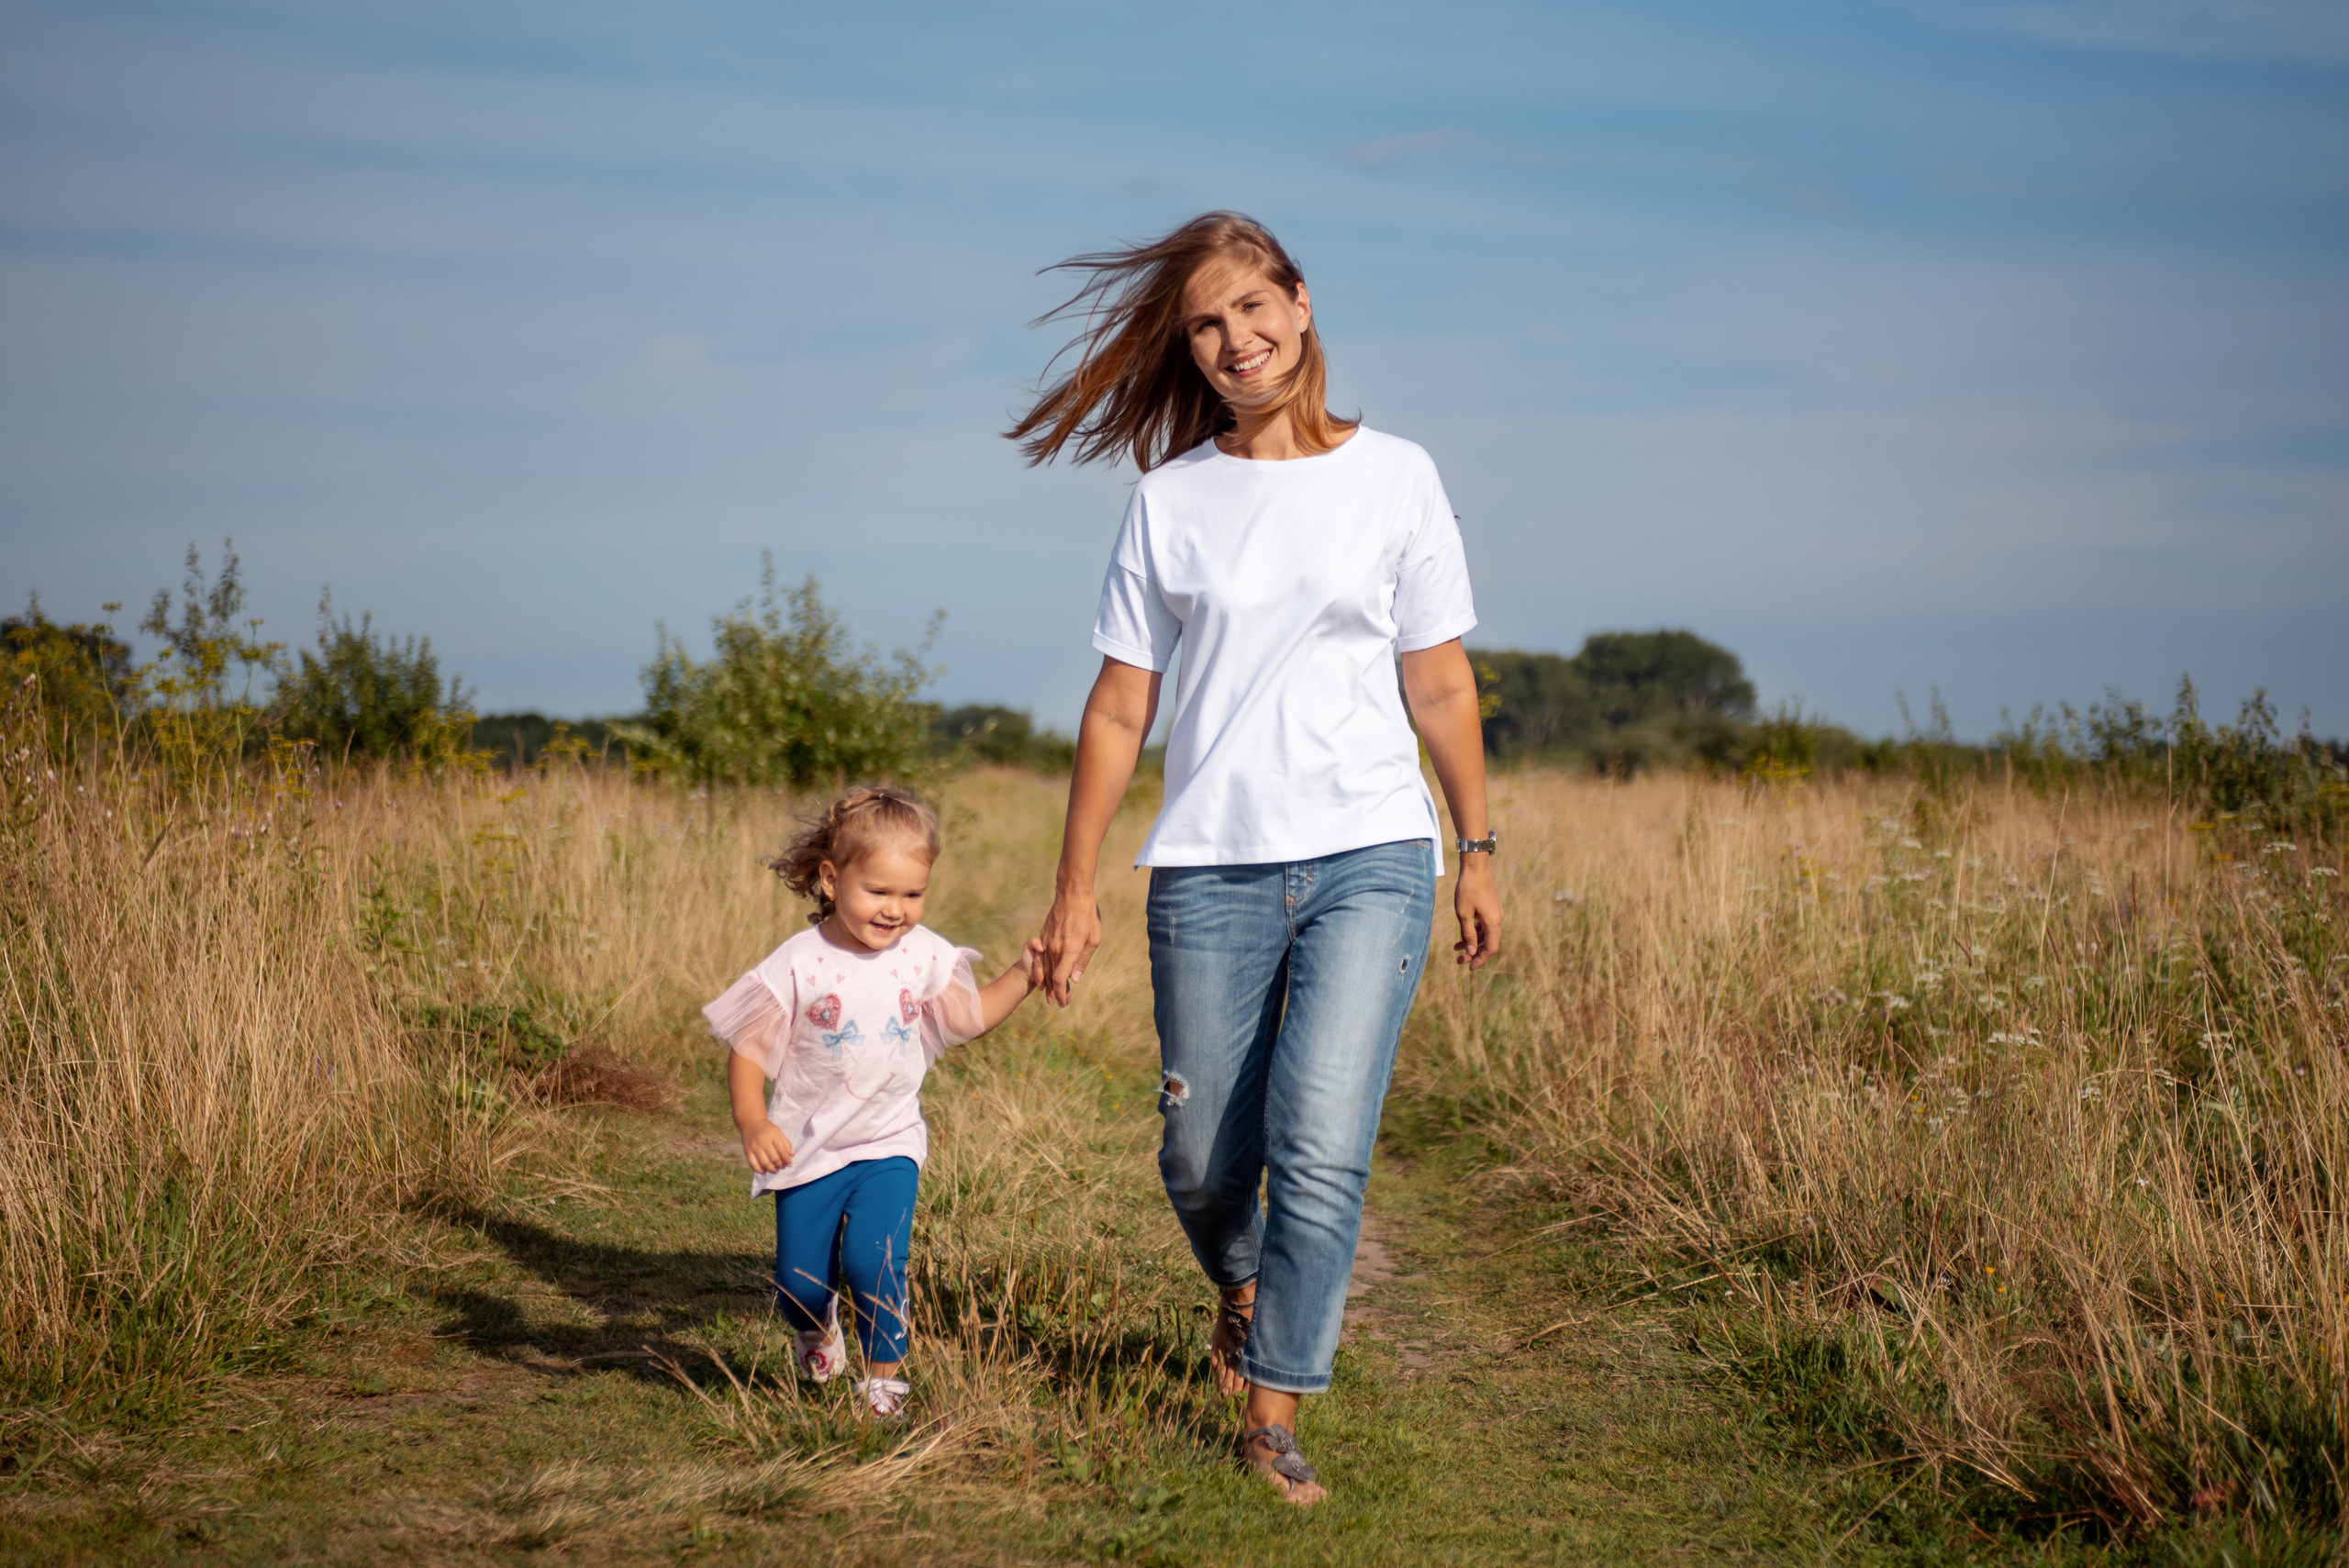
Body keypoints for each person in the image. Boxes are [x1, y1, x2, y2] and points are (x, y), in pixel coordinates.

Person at [1010, 212, 1504, 1504]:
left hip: (1370, 854)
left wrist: (1480, 847)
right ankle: (1242, 1286)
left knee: (1323, 1138)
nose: (1237, 341)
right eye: (1207, 327)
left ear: (1299, 298)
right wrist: (1074, 887)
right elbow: (1121, 707)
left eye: (1253, 306)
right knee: (1199, 1158)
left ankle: (1276, 1412)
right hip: (1210, 866)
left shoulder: (1398, 474)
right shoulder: (1171, 501)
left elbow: (1441, 683)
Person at [702, 784, 1045, 1418]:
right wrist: (753, 1120)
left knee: (875, 1261)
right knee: (800, 1286)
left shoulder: (922, 955)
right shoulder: (800, 962)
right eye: (879, 892)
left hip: (889, 1141)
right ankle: (817, 1329)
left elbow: (968, 1016)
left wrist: (1024, 973)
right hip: (808, 1148)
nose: (896, 910)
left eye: (912, 893)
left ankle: (883, 1380)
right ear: (832, 879)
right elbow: (748, 1051)